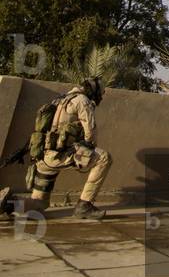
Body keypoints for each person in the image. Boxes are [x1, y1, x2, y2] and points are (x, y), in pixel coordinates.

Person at [27, 77, 112, 220]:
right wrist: (87, 151)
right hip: (63, 154)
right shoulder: (83, 101)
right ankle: (84, 206)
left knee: (37, 206)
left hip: (45, 157)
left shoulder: (60, 99)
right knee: (104, 158)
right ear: (94, 91)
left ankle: (8, 206)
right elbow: (90, 134)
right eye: (101, 93)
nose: (101, 96)